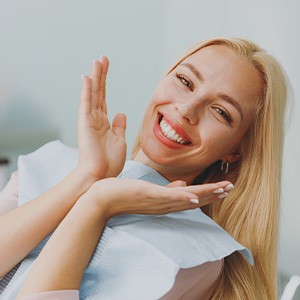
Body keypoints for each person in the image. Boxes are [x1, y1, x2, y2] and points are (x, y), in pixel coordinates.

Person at [0, 37, 288, 299]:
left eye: (221, 112)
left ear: (235, 150)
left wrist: (98, 203)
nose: (186, 110)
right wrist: (87, 177)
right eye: (185, 81)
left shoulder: (195, 255)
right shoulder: (51, 164)